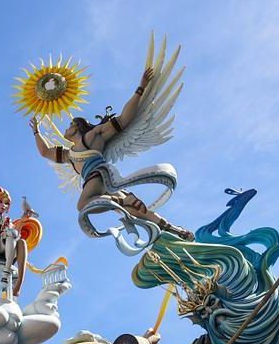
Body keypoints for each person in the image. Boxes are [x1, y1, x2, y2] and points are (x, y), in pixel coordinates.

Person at [30, 68, 191, 239]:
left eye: (70, 124)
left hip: (99, 176)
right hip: (100, 185)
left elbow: (123, 120)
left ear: (77, 126)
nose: (67, 128)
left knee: (83, 205)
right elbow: (45, 151)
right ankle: (177, 230)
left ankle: (122, 201)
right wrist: (36, 132)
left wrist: (140, 88)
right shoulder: (70, 155)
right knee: (137, 213)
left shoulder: (92, 137)